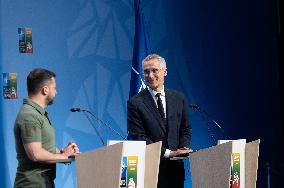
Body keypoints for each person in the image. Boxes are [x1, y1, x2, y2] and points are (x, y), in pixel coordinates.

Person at [127, 54, 192, 188]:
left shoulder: (179, 98)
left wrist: (183, 148)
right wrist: (168, 153)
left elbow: (185, 129)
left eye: (154, 70)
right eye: (146, 71)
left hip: (176, 170)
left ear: (165, 72)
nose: (150, 75)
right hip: (150, 170)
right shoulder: (135, 103)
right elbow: (138, 137)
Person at [13, 68, 80, 188]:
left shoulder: (38, 114)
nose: (56, 92)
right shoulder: (30, 115)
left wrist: (64, 153)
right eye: (54, 88)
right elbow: (35, 154)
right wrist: (63, 157)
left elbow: (43, 146)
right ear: (45, 90)